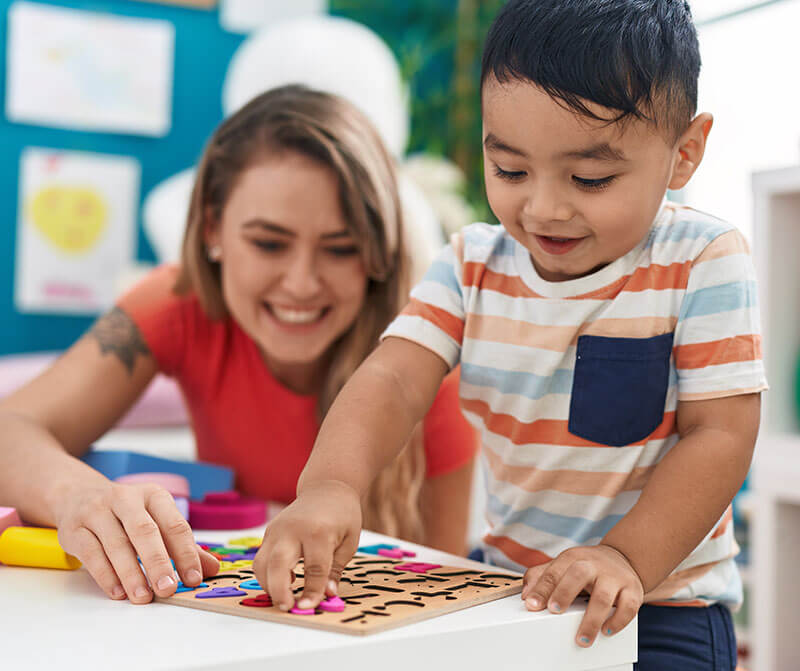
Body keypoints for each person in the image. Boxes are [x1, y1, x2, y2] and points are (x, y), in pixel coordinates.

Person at [255, 3, 766, 669]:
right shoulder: (471, 263)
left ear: (683, 153)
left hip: (659, 601)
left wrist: (625, 557)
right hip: (513, 588)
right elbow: (392, 378)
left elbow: (721, 435)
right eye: (511, 170)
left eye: (590, 178)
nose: (544, 208)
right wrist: (329, 484)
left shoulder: (704, 258)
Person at [0, 85, 477, 606]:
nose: (300, 282)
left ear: (378, 256)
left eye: (341, 249)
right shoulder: (177, 302)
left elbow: (445, 591)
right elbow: (11, 429)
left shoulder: (425, 366)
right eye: (269, 243)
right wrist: (79, 495)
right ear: (213, 228)